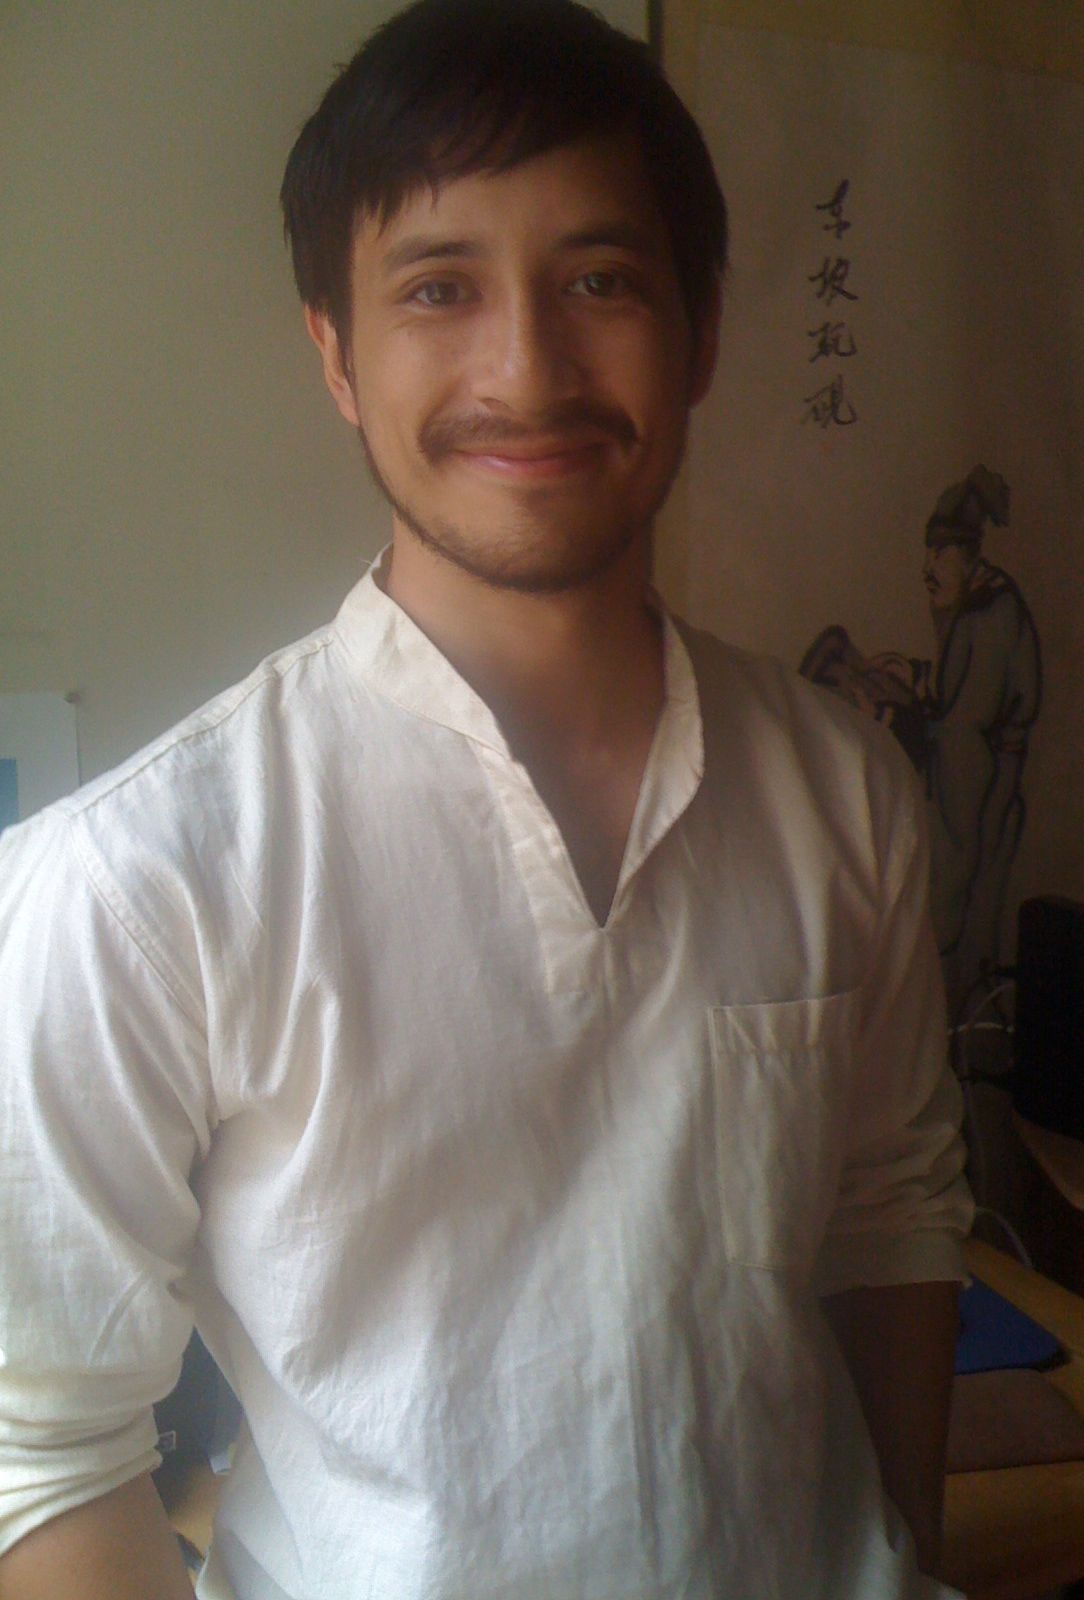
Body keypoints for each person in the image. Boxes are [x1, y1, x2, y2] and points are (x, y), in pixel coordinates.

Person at [0, 4, 972, 1597]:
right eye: (439, 287)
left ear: (701, 332)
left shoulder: (846, 792)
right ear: (337, 353)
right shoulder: (141, 881)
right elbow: (40, 1449)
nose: (527, 370)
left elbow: (891, 1217)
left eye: (602, 281)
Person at [920, 467, 1042, 1010]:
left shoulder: (990, 615)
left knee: (966, 939)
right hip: (980, 787)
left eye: (940, 553)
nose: (928, 569)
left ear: (968, 556)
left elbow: (965, 730)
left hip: (981, 796)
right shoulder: (976, 609)